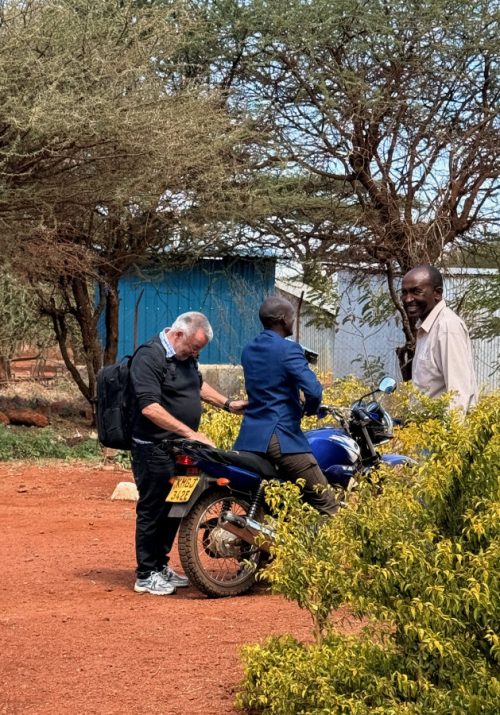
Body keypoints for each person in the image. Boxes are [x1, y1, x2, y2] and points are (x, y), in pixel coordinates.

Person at [129, 311, 247, 596]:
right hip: (153, 449)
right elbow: (149, 407)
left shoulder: (186, 358)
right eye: (194, 348)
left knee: (175, 508)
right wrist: (191, 434)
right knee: (153, 509)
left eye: (198, 350)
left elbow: (197, 384)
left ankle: (160, 565)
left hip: (179, 449)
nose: (195, 353)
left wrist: (227, 404)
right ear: (178, 334)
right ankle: (145, 574)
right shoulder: (149, 356)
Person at [233, 295, 338, 515]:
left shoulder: (249, 349)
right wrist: (309, 410)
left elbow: (270, 384)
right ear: (282, 318)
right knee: (326, 501)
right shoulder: (289, 349)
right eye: (292, 316)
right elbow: (313, 391)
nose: (293, 321)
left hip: (250, 437)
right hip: (280, 437)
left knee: (270, 503)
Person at [401, 265, 478, 413]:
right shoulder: (427, 327)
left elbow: (458, 394)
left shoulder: (447, 327)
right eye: (404, 293)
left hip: (441, 427)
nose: (408, 299)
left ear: (437, 293)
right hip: (423, 425)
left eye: (416, 292)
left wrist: (452, 428)